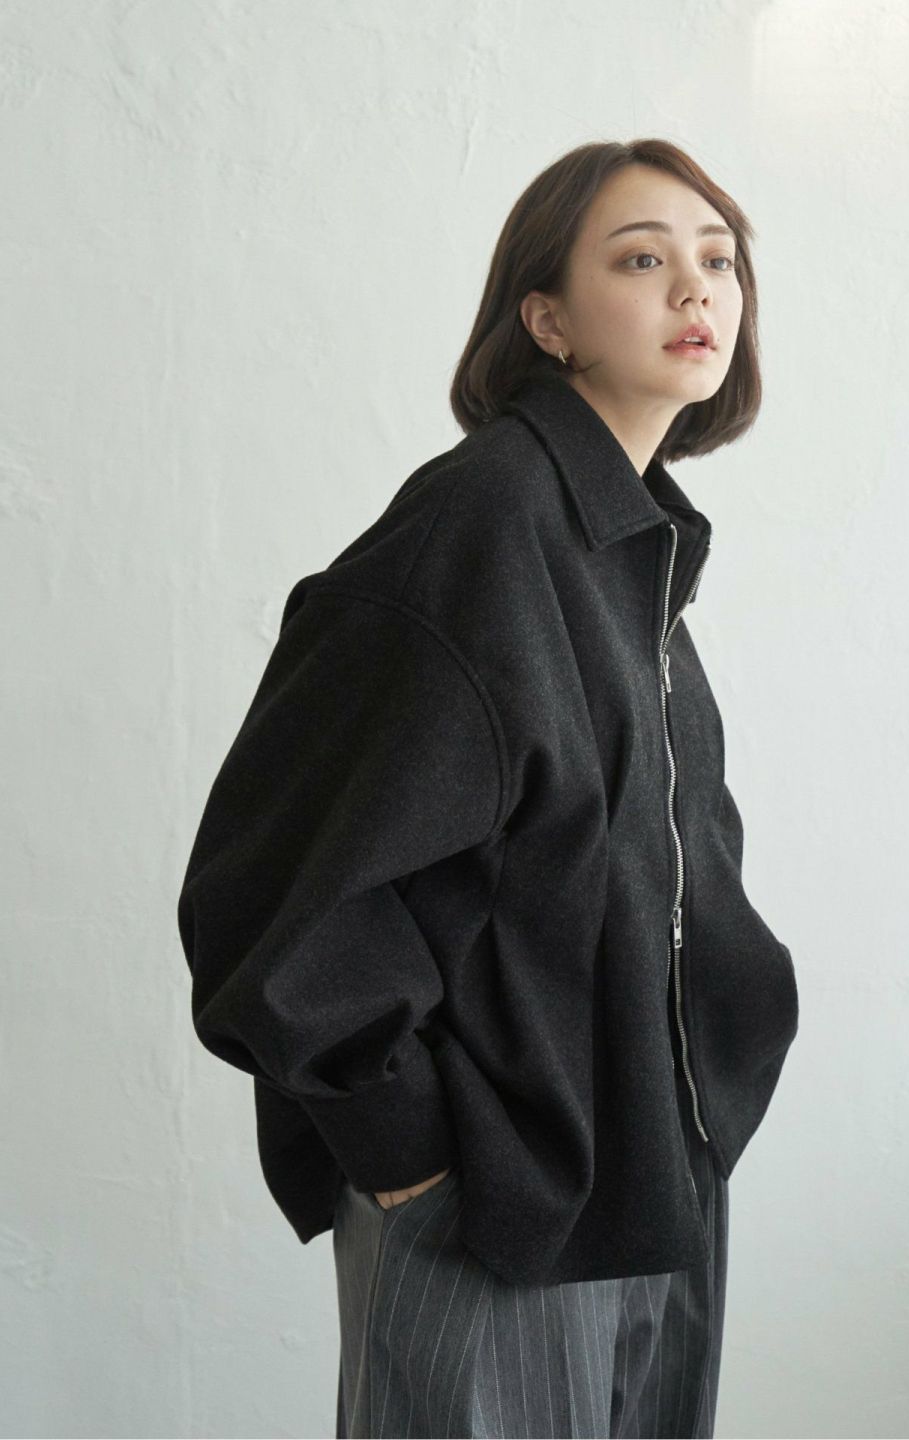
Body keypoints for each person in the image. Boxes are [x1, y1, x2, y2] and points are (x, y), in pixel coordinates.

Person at [176, 136, 800, 1439]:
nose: (698, 289)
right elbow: (277, 875)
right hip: (501, 1209)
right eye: (642, 259)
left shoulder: (630, 544)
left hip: (651, 1179)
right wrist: (409, 1151)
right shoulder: (483, 523)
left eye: (719, 259)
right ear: (547, 320)